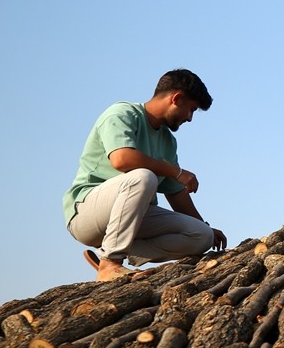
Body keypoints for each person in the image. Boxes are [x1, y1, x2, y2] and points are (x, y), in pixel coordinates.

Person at [64, 69, 227, 281]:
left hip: (133, 217)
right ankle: (110, 262)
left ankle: (120, 249)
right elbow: (121, 159)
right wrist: (175, 171)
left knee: (200, 236)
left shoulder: (167, 141)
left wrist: (206, 227)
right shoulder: (122, 114)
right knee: (143, 177)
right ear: (176, 98)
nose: (190, 118)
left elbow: (176, 194)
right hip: (87, 214)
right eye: (191, 110)